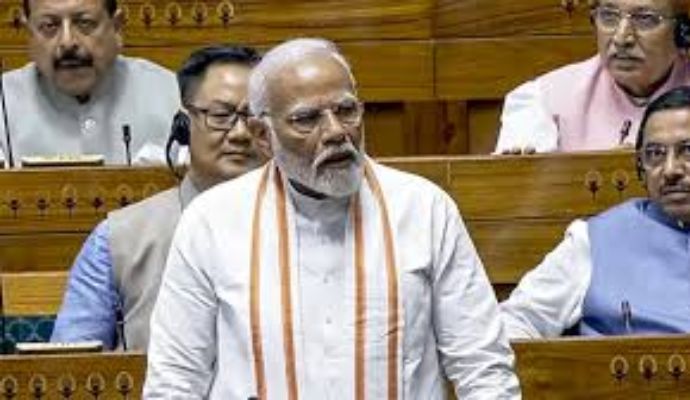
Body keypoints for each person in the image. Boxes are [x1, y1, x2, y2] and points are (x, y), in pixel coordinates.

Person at [143, 38, 520, 399]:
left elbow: (482, 368)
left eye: (346, 110)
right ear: (262, 135)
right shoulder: (211, 222)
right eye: (306, 119)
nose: (336, 132)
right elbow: (176, 380)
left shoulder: (424, 209)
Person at [50, 45, 264, 350]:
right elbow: (73, 366)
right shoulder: (118, 239)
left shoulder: (308, 225)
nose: (241, 133)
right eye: (221, 115)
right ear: (183, 125)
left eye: (256, 117)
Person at [501, 86, 690, 338]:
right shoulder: (595, 239)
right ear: (640, 167)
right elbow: (515, 322)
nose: (670, 170)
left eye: (687, 150)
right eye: (655, 154)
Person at [495, 0, 690, 154]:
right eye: (609, 16)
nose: (621, 38)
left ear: (682, 31)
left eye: (645, 19)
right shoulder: (543, 102)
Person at [0, 0, 179, 166]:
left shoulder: (172, 97)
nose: (67, 42)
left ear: (116, 28)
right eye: (49, 26)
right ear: (29, 34)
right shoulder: (4, 104)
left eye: (84, 23)